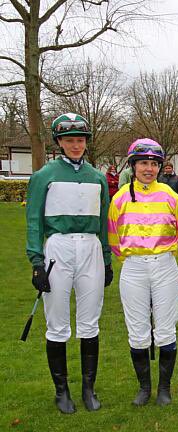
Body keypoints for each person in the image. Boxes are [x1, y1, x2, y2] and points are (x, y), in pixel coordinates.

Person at [25, 113, 113, 414]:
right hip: (58, 247)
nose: (76, 145)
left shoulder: (97, 177)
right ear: (59, 142)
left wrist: (106, 258)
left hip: (89, 247)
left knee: (90, 322)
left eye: (80, 140)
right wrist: (36, 261)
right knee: (58, 322)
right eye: (69, 140)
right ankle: (61, 391)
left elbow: (103, 223)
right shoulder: (44, 175)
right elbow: (34, 221)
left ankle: (88, 389)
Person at [108, 139, 178, 407]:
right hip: (134, 267)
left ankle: (164, 388)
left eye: (154, 164)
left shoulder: (171, 197)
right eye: (144, 163)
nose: (149, 169)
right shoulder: (119, 199)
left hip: (164, 265)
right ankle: (144, 388)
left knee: (165, 330)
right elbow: (114, 238)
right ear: (133, 166)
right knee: (138, 331)